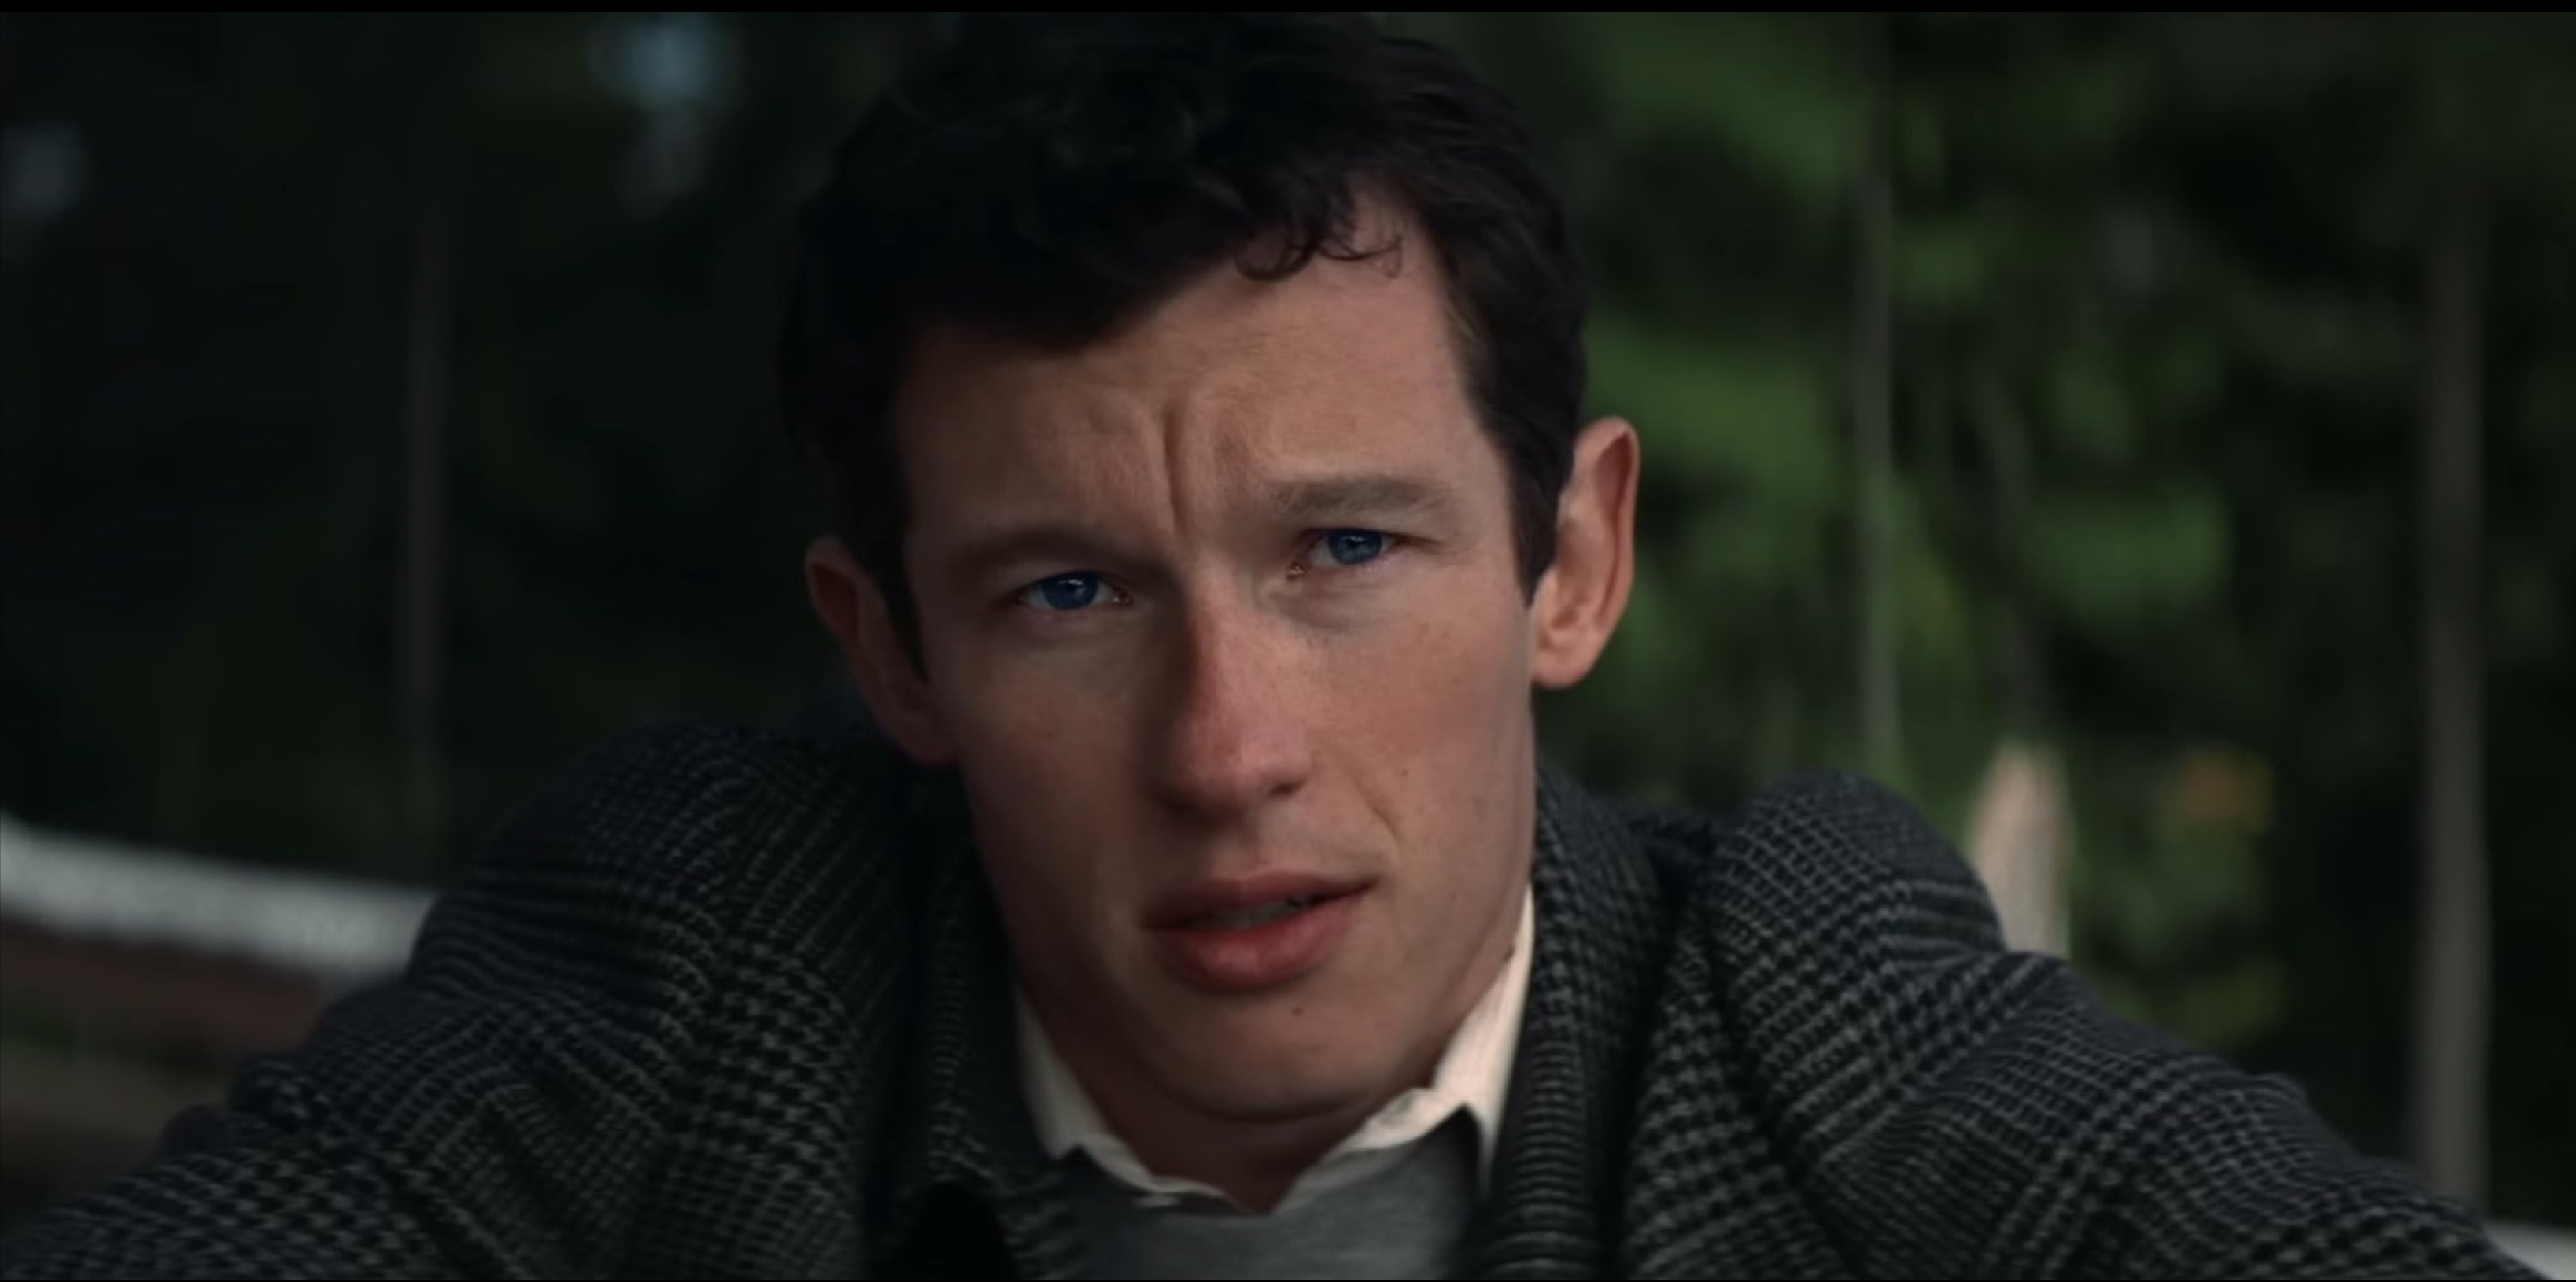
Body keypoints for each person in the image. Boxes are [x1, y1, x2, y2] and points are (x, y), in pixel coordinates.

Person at [0, 13, 2538, 1279]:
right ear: (891, 651)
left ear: (1571, 557)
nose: (1229, 750)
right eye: (1070, 592)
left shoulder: (1793, 996)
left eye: (1341, 549)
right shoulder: (718, 950)